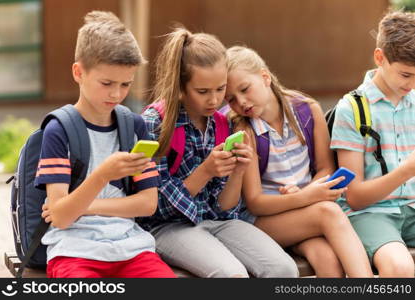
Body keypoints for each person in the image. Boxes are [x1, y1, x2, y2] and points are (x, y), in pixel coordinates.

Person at [141, 28, 298, 278]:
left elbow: (225, 209)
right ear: (180, 87)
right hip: (167, 227)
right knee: (231, 274)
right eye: (203, 92)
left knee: (284, 269)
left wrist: (237, 172)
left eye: (220, 90)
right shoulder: (155, 124)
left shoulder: (222, 124)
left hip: (217, 222)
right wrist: (205, 172)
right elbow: (153, 207)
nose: (214, 100)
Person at [36, 11, 176, 278]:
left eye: (126, 84)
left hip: (132, 249)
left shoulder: (136, 127)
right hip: (74, 253)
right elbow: (62, 217)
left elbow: (147, 204)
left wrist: (86, 207)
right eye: (107, 83)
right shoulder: (59, 130)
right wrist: (103, 175)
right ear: (79, 72)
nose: (117, 94)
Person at [224, 45, 373, 277]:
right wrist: (306, 197)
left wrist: (309, 192)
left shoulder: (307, 110)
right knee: (329, 212)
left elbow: (325, 167)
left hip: (305, 211)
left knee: (328, 261)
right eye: (231, 99)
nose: (241, 102)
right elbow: (254, 202)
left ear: (264, 77)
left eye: (245, 89)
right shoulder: (245, 131)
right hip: (263, 222)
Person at [331, 11, 415, 277]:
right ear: (380, 58)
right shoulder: (352, 109)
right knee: (400, 268)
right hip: (372, 213)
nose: (412, 84)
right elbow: (355, 197)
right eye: (405, 75)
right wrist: (406, 170)